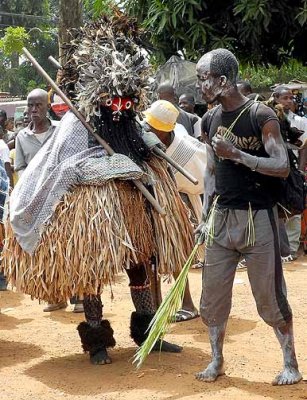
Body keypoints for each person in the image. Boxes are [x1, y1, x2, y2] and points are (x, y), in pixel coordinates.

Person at [3, 14, 193, 365]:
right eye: (114, 101)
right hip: (93, 212)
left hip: (132, 207)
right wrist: (105, 166)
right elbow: (64, 167)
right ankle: (97, 342)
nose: (120, 108)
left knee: (140, 266)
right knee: (92, 271)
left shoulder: (128, 120)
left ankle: (149, 332)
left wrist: (147, 146)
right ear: (99, 94)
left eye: (127, 102)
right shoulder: (79, 121)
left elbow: (139, 137)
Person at [195, 48, 301, 385]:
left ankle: (291, 364)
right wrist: (204, 213)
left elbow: (282, 166)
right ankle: (216, 360)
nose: (200, 85)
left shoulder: (261, 115)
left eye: (204, 78)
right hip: (222, 220)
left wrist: (239, 155)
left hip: (258, 219)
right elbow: (211, 171)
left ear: (223, 80)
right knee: (212, 295)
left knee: (269, 295)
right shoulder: (209, 119)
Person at [143, 99, 207, 321]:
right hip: (155, 203)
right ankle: (156, 306)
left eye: (151, 127)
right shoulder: (155, 140)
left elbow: (196, 181)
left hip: (178, 206)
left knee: (176, 255)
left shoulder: (181, 150)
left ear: (163, 131)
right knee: (151, 257)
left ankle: (188, 305)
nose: (146, 129)